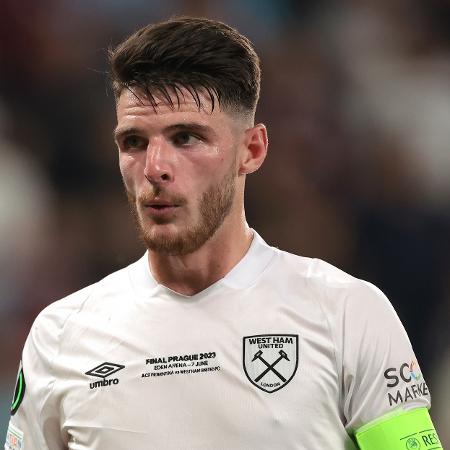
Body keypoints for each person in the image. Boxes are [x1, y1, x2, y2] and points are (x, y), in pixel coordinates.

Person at [4, 16, 442, 450]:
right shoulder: (61, 336)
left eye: (186, 138)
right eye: (134, 142)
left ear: (251, 150)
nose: (154, 167)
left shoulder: (346, 314)